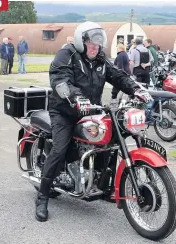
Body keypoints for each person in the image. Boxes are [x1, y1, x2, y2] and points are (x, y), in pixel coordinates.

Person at [35, 21, 152, 222]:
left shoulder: (100, 59)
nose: (94, 48)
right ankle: (42, 197)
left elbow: (118, 75)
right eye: (91, 44)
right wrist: (76, 97)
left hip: (92, 111)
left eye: (98, 45)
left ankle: (105, 187)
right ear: (82, 41)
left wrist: (137, 89)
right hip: (65, 111)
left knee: (112, 142)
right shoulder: (66, 55)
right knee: (60, 149)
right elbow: (60, 80)